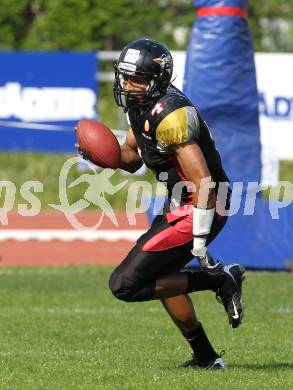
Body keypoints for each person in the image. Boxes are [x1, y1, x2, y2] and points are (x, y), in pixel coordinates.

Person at [108, 38, 245, 369]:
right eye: (124, 77)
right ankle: (206, 358)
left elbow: (204, 184)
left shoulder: (170, 114)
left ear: (157, 79)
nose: (127, 85)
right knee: (162, 277)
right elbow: (131, 159)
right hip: (181, 203)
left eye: (136, 79)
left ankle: (219, 278)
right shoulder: (139, 105)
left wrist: (199, 245)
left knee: (125, 285)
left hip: (203, 204)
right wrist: (101, 154)